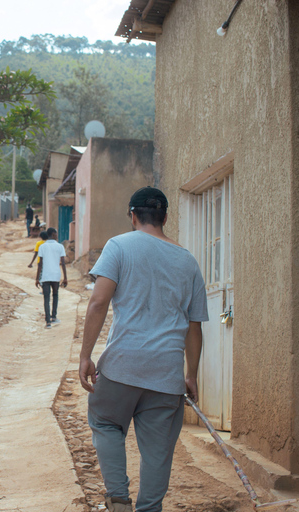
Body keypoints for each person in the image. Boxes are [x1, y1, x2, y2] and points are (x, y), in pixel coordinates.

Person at [78, 187, 208, 512]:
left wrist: (85, 355)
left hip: (122, 365)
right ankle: (149, 508)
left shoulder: (119, 245)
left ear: (132, 216)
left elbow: (98, 303)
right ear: (165, 218)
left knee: (106, 423)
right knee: (158, 451)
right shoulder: (188, 261)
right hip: (166, 376)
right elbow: (195, 326)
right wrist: (191, 375)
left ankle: (118, 498)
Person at [35, 227, 67, 328]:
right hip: (56, 275)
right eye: (56, 234)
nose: (57, 236)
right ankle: (54, 316)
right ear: (53, 234)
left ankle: (48, 322)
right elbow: (63, 263)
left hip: (45, 275)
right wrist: (65, 277)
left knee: (46, 298)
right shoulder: (60, 246)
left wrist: (37, 278)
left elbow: (40, 264)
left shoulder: (42, 247)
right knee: (55, 295)